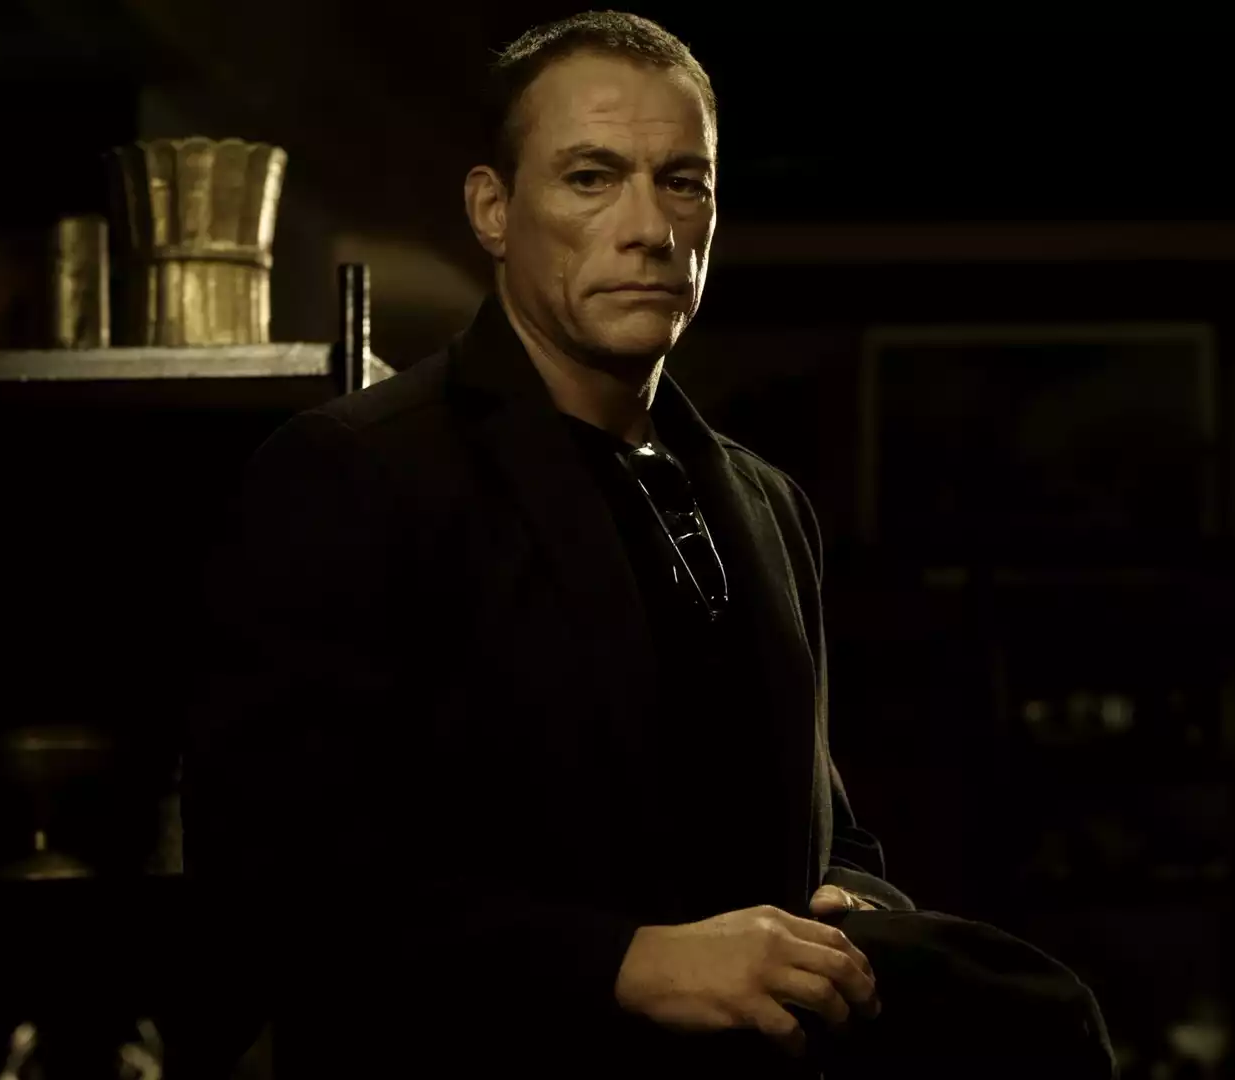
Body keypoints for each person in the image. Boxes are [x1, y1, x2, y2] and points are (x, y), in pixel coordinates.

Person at [185, 12, 1110, 1078]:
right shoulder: (356, 473)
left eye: (683, 182)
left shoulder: (768, 505)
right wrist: (626, 962)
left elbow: (829, 825)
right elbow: (281, 882)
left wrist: (847, 907)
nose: (651, 229)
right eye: (592, 178)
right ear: (493, 210)